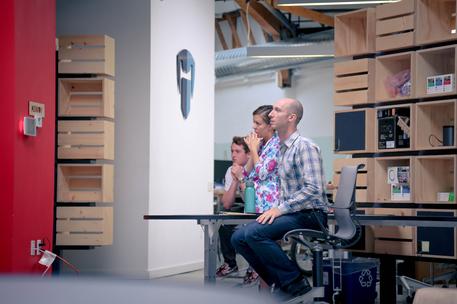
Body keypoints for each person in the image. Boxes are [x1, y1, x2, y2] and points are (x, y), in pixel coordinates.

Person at [231, 98, 328, 299]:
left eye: (277, 110)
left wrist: (280, 209)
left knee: (255, 234)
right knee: (238, 238)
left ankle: (297, 285)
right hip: (294, 211)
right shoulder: (282, 148)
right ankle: (280, 282)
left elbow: (314, 189)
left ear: (291, 117)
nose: (272, 114)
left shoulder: (305, 146)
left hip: (311, 214)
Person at [242, 105, 281, 285]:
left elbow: (264, 172)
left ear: (270, 126)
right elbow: (247, 174)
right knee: (260, 254)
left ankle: (275, 289)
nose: (254, 127)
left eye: (258, 123)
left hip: (270, 206)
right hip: (257, 204)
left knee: (269, 253)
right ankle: (266, 292)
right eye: (253, 123)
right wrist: (252, 150)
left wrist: (255, 151)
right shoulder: (262, 145)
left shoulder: (277, 144)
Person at [216, 136, 250, 277]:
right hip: (245, 206)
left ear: (248, 154)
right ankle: (230, 264)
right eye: (232, 151)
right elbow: (227, 203)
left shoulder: (255, 167)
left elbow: (252, 201)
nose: (233, 155)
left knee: (250, 230)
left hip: (261, 208)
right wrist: (235, 179)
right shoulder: (231, 169)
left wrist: (241, 177)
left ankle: (255, 267)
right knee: (224, 220)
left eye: (238, 151)